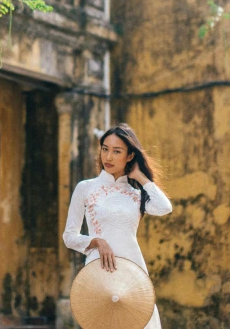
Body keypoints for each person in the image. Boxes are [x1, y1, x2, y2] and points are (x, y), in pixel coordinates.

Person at [63, 123, 172, 329]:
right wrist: (96, 241)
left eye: (116, 151)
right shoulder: (85, 188)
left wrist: (139, 176)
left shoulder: (136, 195)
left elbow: (164, 207)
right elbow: (69, 236)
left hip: (132, 274)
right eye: (105, 149)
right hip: (99, 273)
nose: (108, 157)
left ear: (130, 156)